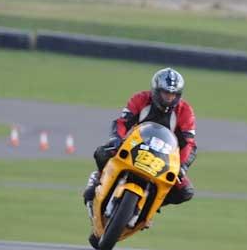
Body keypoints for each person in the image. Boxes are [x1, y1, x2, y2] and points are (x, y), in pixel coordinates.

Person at [82, 68, 197, 215]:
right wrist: (116, 139)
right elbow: (122, 122)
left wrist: (182, 166)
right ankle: (98, 179)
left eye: (173, 94)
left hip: (163, 159)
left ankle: (152, 203)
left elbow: (189, 143)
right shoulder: (141, 99)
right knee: (102, 153)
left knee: (185, 191)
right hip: (133, 146)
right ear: (156, 90)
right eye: (165, 93)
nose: (169, 98)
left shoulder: (185, 111)